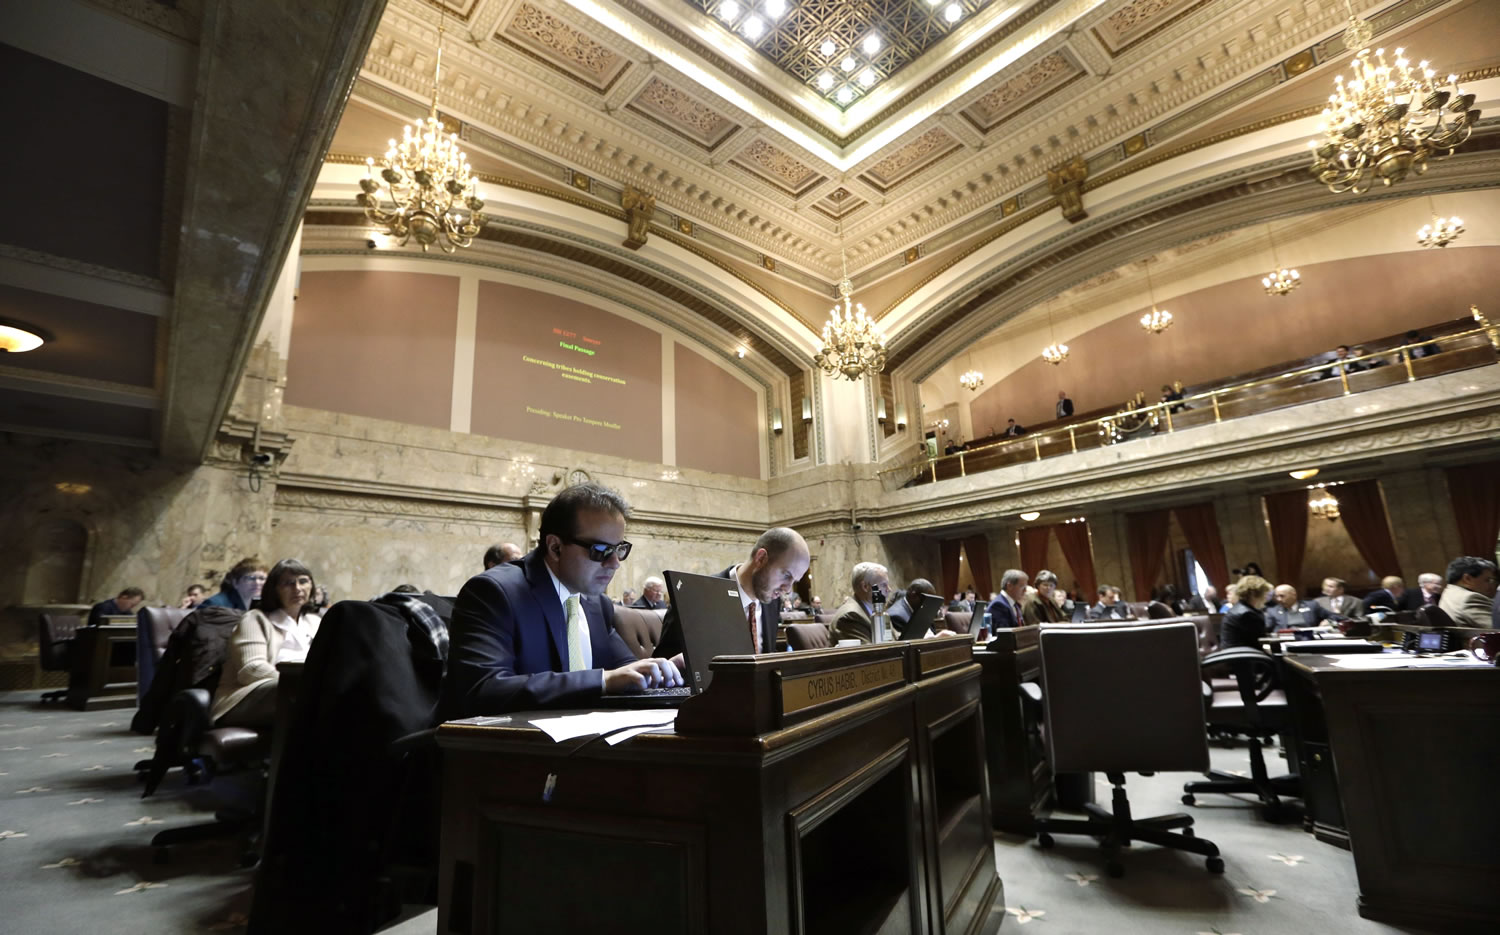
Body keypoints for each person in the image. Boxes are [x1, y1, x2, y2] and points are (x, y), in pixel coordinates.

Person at [443, 483, 682, 718]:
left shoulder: (597, 604)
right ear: (555, 547)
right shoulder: (494, 592)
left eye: (619, 549)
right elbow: (483, 690)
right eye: (600, 550)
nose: (615, 563)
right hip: (486, 748)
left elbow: (626, 672)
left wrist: (665, 670)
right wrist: (603, 680)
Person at [653, 527, 811, 658]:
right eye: (786, 575)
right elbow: (664, 663)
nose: (788, 589)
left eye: (794, 581)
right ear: (761, 558)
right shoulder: (694, 596)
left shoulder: (771, 601)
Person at [211, 558, 322, 728]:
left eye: (303, 581)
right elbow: (251, 670)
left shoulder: (315, 622)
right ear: (274, 589)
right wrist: (304, 684)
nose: (297, 588)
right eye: (288, 583)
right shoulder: (255, 619)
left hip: (302, 692)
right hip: (245, 697)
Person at [831, 562, 891, 644]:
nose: (889, 590)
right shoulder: (851, 616)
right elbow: (871, 654)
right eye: (884, 585)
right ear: (865, 587)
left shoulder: (878, 611)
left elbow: (895, 638)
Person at [1437, 556, 1497, 628]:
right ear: (1467, 579)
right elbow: (1497, 627)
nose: (1491, 585)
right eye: (1487, 580)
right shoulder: (1470, 598)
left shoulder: (1449, 592)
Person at [1219, 575, 1273, 649]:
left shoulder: (1238, 608)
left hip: (1234, 654)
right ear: (1253, 593)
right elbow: (1259, 641)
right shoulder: (1247, 614)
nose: (1265, 597)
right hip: (1243, 657)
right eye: (1264, 593)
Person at [202, 557, 268, 611]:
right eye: (251, 578)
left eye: (262, 578)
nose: (257, 583)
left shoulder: (261, 606)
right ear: (235, 582)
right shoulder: (214, 604)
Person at [1265, 584, 1333, 629]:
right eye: (1276, 596)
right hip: (1284, 640)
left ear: (1294, 595)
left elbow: (1336, 617)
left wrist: (1328, 621)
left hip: (1309, 639)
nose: (1278, 599)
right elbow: (1267, 627)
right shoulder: (1273, 611)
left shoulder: (1311, 605)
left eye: (1282, 596)